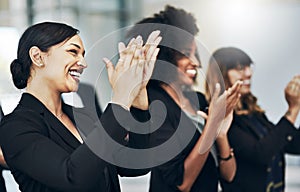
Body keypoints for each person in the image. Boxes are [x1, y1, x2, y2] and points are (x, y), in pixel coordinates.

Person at [0, 21, 161, 192]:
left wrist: (137, 104)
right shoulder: (15, 127)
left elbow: (135, 164)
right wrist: (120, 100)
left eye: (82, 54)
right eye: (73, 52)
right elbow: (72, 177)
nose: (83, 63)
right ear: (38, 57)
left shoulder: (83, 117)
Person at [127, 5, 242, 192]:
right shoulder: (154, 103)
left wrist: (220, 134)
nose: (196, 62)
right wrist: (212, 125)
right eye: (185, 53)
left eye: (194, 53)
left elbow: (228, 175)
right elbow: (181, 183)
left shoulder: (198, 99)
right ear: (164, 56)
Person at [205, 47, 300, 192]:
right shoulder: (222, 118)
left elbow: (290, 144)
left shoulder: (253, 113)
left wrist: (297, 106)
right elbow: (261, 154)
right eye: (240, 68)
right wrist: (292, 110)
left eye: (249, 67)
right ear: (222, 74)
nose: (249, 73)